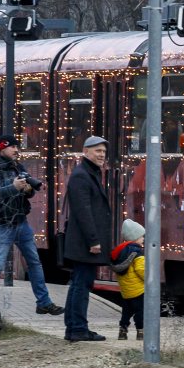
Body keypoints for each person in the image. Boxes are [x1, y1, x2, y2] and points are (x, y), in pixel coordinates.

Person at [0, 134, 63, 315]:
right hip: (1, 224)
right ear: (2, 148)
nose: (16, 150)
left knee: (34, 263)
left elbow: (27, 194)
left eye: (17, 147)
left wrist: (28, 190)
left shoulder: (17, 167)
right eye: (12, 147)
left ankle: (44, 302)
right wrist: (13, 187)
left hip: (20, 222)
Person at [63, 135, 113, 342]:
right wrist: (94, 240)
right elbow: (83, 212)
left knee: (80, 284)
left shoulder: (88, 173)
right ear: (85, 152)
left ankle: (76, 327)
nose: (101, 155)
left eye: (103, 151)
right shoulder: (81, 176)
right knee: (81, 285)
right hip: (84, 243)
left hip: (84, 243)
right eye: (97, 151)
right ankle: (77, 328)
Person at [110, 219, 145, 341]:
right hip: (139, 290)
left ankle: (122, 331)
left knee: (126, 312)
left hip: (126, 291)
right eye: (141, 237)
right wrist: (150, 279)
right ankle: (141, 332)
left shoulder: (120, 252)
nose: (143, 239)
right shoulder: (137, 253)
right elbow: (141, 270)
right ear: (135, 238)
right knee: (140, 312)